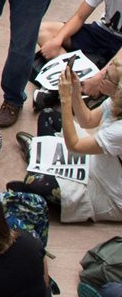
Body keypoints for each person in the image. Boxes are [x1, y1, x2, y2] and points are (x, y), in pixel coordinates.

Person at [16, 62, 122, 221]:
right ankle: (38, 154)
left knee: (36, 183)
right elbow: (88, 120)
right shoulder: (115, 100)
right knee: (48, 115)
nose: (101, 75)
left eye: (107, 77)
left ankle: (37, 153)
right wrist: (75, 91)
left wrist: (65, 98)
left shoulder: (119, 131)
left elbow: (75, 145)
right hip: (95, 163)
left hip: (109, 193)